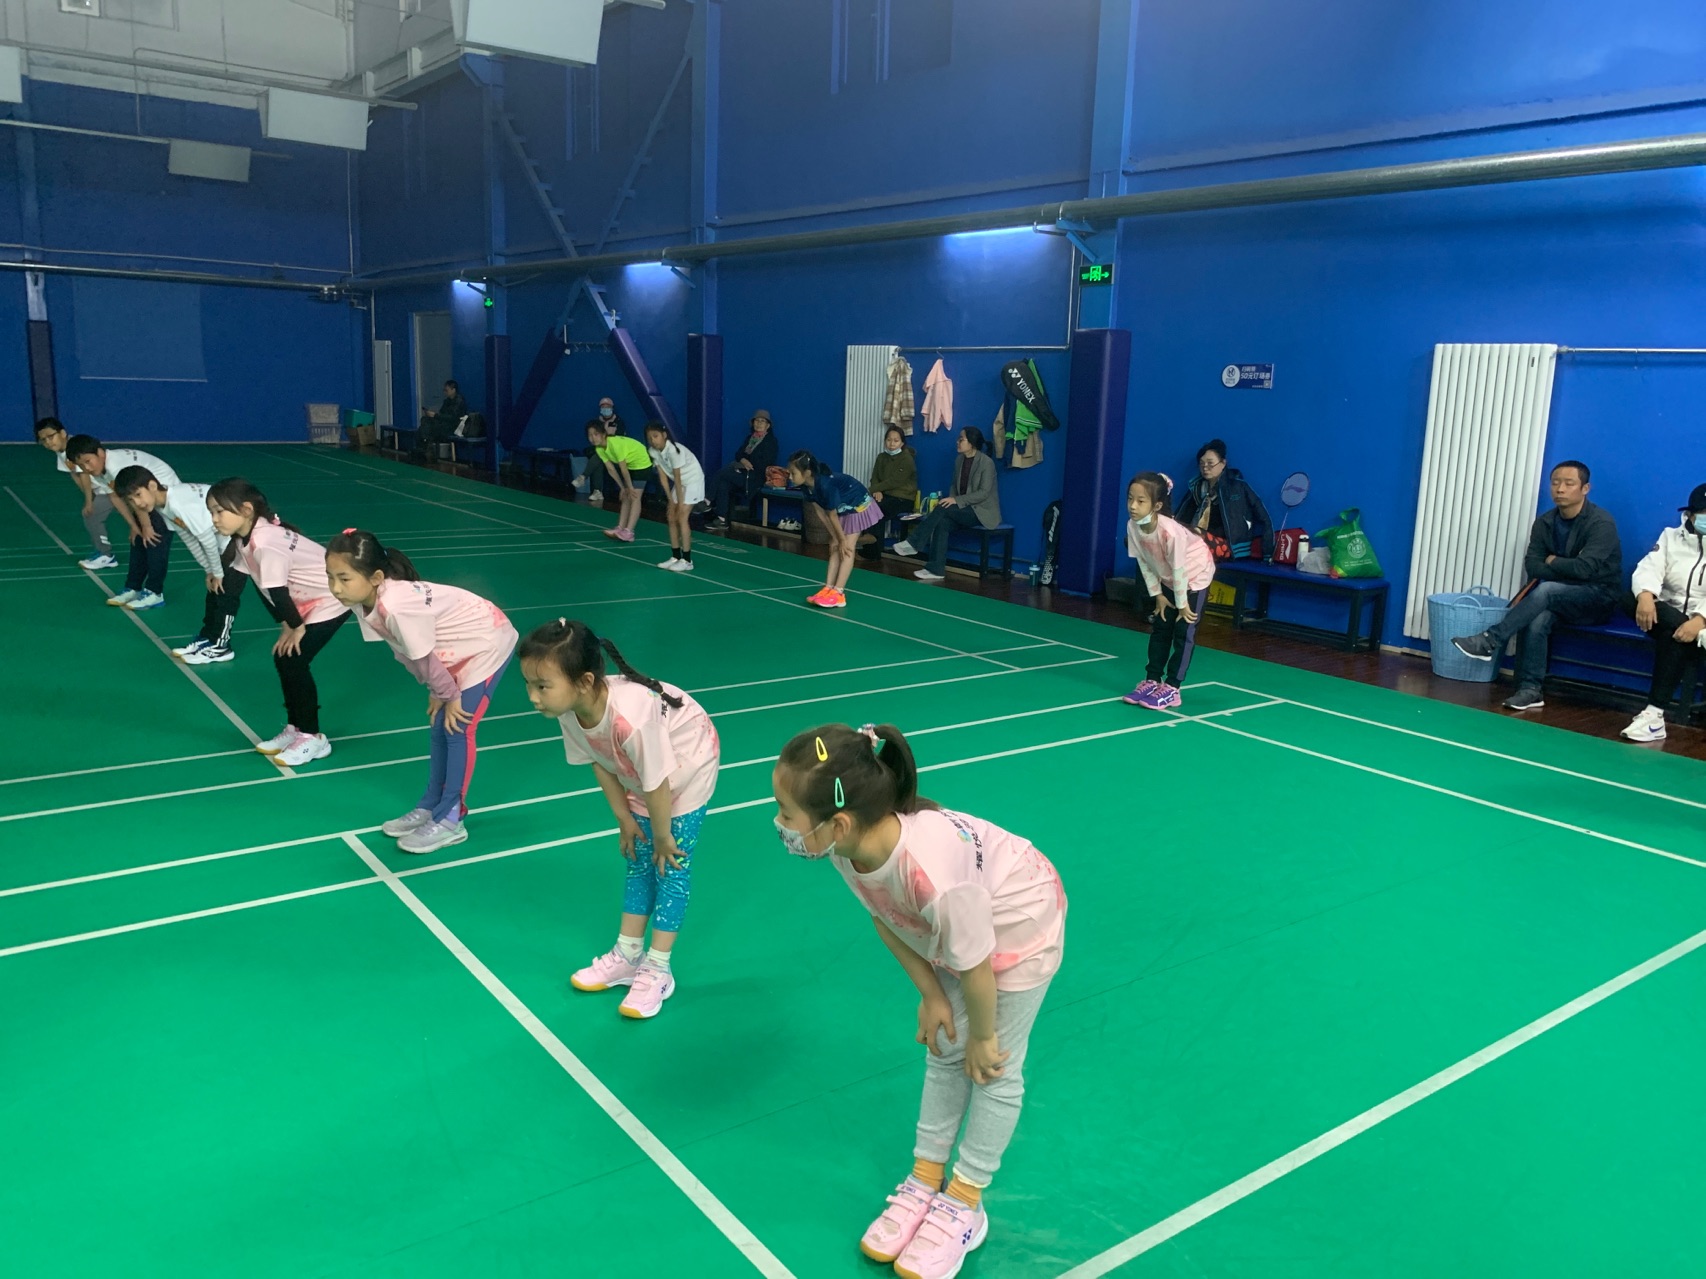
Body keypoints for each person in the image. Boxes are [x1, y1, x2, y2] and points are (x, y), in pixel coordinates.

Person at [770, 722, 1065, 1279]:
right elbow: (886, 918)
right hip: (960, 929)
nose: (780, 825)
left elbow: (976, 965)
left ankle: (965, 1203)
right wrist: (930, 994)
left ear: (837, 822)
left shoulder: (932, 877)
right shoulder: (847, 849)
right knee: (944, 1047)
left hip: (1020, 923)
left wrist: (984, 1036)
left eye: (786, 813)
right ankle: (926, 1179)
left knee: (993, 1068)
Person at [518, 619, 720, 1020]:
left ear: (584, 681)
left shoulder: (632, 718)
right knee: (638, 860)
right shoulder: (571, 710)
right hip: (644, 771)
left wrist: (662, 836)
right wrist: (624, 818)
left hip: (687, 764)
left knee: (671, 866)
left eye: (542, 686)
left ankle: (658, 968)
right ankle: (628, 955)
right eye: (529, 685)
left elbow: (658, 783)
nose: (533, 697)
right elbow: (601, 760)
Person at [326, 529, 519, 852]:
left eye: (344, 579)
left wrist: (449, 695)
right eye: (330, 577)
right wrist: (437, 689)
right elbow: (404, 651)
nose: (335, 588)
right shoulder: (366, 602)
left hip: (486, 641)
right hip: (452, 649)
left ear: (375, 577)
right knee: (439, 726)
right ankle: (431, 804)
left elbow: (422, 657)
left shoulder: (396, 606)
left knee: (458, 728)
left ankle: (451, 819)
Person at [1451, 460, 1623, 711]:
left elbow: (1585, 569)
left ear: (1585, 489)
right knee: (1538, 616)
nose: (1560, 489)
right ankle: (1530, 690)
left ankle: (1490, 640)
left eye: (1569, 483)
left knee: (1546, 590)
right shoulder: (1544, 523)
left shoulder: (1601, 523)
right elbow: (1533, 566)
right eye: (1555, 483)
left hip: (1597, 599)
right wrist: (1565, 566)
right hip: (1558, 598)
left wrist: (1553, 561)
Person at [208, 478, 351, 766]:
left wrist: (295, 627)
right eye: (211, 512)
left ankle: (313, 737)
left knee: (294, 659)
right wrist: (285, 624)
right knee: (284, 657)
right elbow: (260, 584)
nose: (214, 519)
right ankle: (295, 728)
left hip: (331, 599)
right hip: (306, 603)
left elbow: (278, 592)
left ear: (246, 510)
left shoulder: (265, 542)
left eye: (219, 511)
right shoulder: (245, 539)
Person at [111, 466, 246, 664]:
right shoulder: (164, 506)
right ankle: (208, 638)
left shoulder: (179, 502)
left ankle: (221, 647)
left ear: (152, 485)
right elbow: (189, 538)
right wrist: (209, 570)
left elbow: (207, 541)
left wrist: (217, 572)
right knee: (214, 593)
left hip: (239, 540)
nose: (137, 503)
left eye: (138, 495)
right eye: (131, 500)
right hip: (225, 542)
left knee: (226, 594)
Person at [1121, 472, 1215, 710]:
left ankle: (1173, 688)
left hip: (1194, 576)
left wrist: (1182, 605)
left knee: (1184, 632)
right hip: (1168, 577)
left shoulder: (1170, 532)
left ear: (1157, 505)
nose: (1133, 506)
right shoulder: (1133, 526)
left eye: (1140, 501)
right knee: (1161, 628)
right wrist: (1159, 595)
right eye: (1130, 498)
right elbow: (1144, 562)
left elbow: (1180, 570)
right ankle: (1152, 680)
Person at [1620, 483, 1706, 743]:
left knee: (1674, 637)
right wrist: (1646, 595)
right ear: (1690, 514)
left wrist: (1700, 620)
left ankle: (1654, 715)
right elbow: (1650, 567)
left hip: (1699, 622)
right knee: (1630, 598)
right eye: (1703, 513)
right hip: (1666, 613)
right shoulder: (1670, 536)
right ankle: (1654, 717)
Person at [64, 434, 183, 609]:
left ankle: (154, 592)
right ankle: (133, 588)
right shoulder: (100, 471)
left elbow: (138, 496)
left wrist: (146, 526)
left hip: (166, 499)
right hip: (143, 500)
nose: (86, 468)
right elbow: (116, 497)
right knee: (138, 540)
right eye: (81, 465)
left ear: (100, 453)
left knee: (154, 542)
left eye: (88, 461)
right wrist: (134, 526)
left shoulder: (116, 466)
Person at [893, 426, 1002, 583]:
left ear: (971, 443)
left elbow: (983, 493)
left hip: (981, 512)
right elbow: (953, 486)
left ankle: (914, 543)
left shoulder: (986, 463)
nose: (957, 442)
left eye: (961, 439)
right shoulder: (959, 460)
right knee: (942, 521)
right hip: (963, 509)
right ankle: (935, 569)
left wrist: (955, 501)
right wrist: (952, 499)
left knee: (943, 508)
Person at [786, 450, 883, 609]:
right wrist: (836, 538)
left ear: (807, 473)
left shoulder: (825, 485)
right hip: (843, 508)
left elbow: (831, 515)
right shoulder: (806, 487)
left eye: (793, 473)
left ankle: (839, 593)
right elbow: (821, 513)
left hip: (857, 504)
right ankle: (828, 588)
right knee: (834, 546)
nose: (790, 477)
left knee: (847, 548)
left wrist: (842, 540)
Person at [34, 417, 117, 569]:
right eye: (43, 440)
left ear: (62, 433)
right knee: (91, 517)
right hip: (101, 488)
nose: (48, 442)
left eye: (51, 436)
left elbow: (84, 475)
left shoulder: (74, 449)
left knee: (92, 516)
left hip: (110, 486)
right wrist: (90, 497)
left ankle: (106, 555)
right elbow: (74, 474)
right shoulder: (61, 452)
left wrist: (89, 502)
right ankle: (101, 551)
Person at [1174, 438, 1273, 560]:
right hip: (1198, 539)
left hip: (1229, 546)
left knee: (1196, 539)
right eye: (1201, 464)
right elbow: (1182, 517)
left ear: (1223, 463)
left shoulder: (1238, 487)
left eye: (1210, 463)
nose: (1205, 468)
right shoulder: (1196, 488)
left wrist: (1268, 554)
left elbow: (1264, 518)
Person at [645, 421, 706, 573]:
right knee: (671, 517)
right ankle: (675, 557)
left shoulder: (673, 451)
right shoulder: (653, 451)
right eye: (650, 438)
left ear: (664, 435)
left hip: (692, 480)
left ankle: (687, 561)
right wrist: (670, 501)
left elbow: (677, 479)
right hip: (680, 483)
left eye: (656, 436)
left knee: (681, 517)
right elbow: (663, 477)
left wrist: (678, 503)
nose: (653, 440)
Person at [704, 410, 779, 531]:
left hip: (755, 479)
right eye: (756, 420)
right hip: (744, 474)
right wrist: (743, 461)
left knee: (723, 473)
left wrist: (746, 461)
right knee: (723, 483)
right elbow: (739, 454)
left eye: (762, 421)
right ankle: (722, 520)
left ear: (768, 425)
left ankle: (707, 500)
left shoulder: (771, 442)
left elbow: (764, 463)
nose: (759, 423)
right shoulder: (750, 438)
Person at [587, 420, 653, 544]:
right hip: (630, 465)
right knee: (626, 495)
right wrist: (622, 487)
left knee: (635, 496)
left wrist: (630, 487)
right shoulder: (599, 448)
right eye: (590, 435)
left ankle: (629, 532)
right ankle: (620, 528)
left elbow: (623, 469)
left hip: (642, 463)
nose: (592, 438)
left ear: (603, 434)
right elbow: (611, 469)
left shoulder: (615, 444)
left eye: (596, 434)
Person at [863, 425, 919, 559]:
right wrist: (877, 490)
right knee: (867, 505)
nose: (892, 444)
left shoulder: (907, 459)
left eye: (896, 440)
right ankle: (869, 547)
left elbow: (894, 481)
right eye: (889, 440)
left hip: (903, 498)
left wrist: (874, 489)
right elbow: (875, 477)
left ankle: (872, 550)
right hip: (885, 495)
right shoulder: (881, 457)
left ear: (902, 443)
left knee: (877, 509)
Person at [586, 397, 627, 504]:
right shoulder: (597, 423)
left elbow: (620, 441)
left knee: (598, 459)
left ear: (612, 408)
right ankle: (597, 491)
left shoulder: (618, 422)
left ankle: (583, 476)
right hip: (602, 452)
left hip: (615, 454)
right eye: (603, 407)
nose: (605, 409)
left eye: (607, 407)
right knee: (598, 461)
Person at [418, 379, 468, 452]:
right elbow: (442, 413)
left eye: (446, 390)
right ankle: (424, 445)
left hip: (453, 426)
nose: (444, 392)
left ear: (453, 390)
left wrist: (435, 415)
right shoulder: (447, 401)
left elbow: (453, 418)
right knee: (425, 421)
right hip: (444, 423)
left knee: (427, 428)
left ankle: (425, 446)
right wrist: (433, 415)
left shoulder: (459, 401)